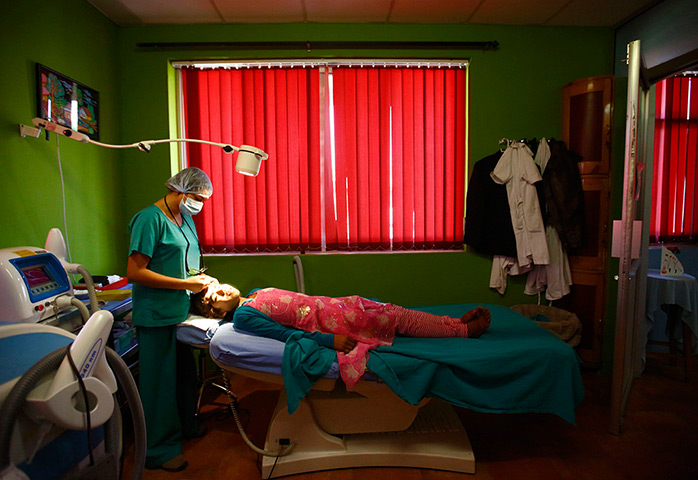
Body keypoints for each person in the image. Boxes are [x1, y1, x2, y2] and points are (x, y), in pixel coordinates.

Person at [191, 282, 491, 388]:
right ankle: (464, 331)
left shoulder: (254, 294)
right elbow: (284, 334)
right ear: (217, 313)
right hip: (334, 324)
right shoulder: (243, 317)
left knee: (398, 312)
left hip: (336, 306)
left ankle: (451, 323)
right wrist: (326, 341)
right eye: (214, 298)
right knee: (398, 319)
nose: (221, 290)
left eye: (218, 285)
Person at [127, 167, 216, 472]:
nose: (199, 204)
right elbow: (136, 272)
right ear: (179, 190)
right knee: (159, 385)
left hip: (182, 312)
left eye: (203, 199)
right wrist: (186, 285)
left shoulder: (185, 218)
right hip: (156, 314)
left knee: (184, 377)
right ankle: (157, 451)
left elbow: (184, 261)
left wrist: (202, 280)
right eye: (196, 198)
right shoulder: (149, 219)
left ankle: (185, 428)